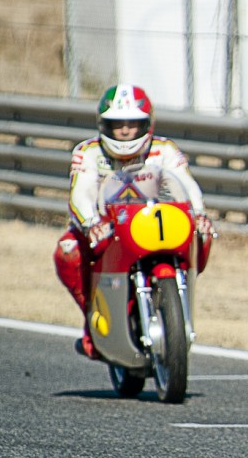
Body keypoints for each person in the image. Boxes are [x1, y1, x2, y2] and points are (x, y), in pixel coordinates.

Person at [53, 83, 214, 359]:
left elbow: (186, 184)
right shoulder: (88, 152)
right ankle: (95, 320)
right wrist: (92, 222)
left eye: (133, 123)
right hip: (106, 227)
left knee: (204, 234)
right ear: (104, 126)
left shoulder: (164, 149)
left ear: (147, 124)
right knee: (67, 251)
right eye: (118, 125)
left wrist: (198, 213)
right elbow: (81, 194)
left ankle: (179, 291)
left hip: (153, 223)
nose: (125, 131)